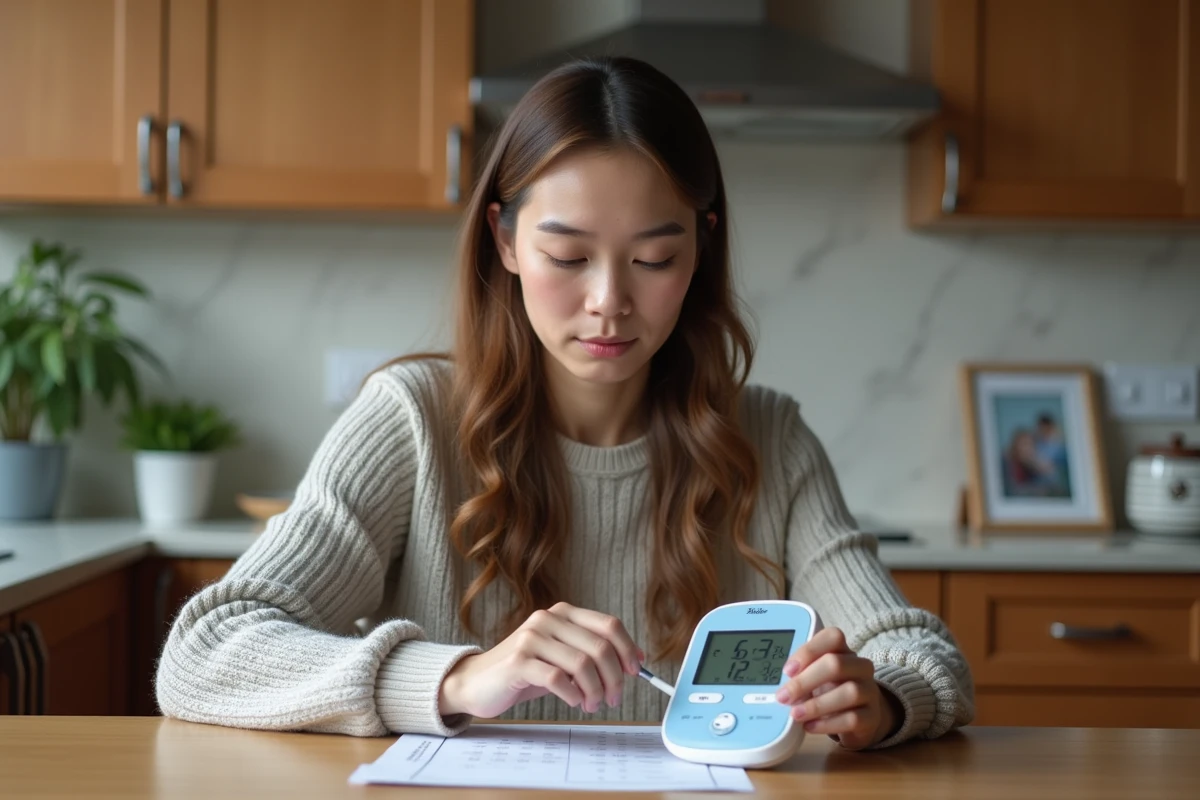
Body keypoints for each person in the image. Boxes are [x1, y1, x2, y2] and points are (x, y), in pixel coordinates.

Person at [156, 57, 973, 751]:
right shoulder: (412, 420)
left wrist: (884, 700)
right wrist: (460, 677)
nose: (610, 302)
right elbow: (204, 651)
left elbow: (918, 652)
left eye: (654, 258)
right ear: (506, 240)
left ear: (701, 249)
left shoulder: (768, 437)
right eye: (568, 255)